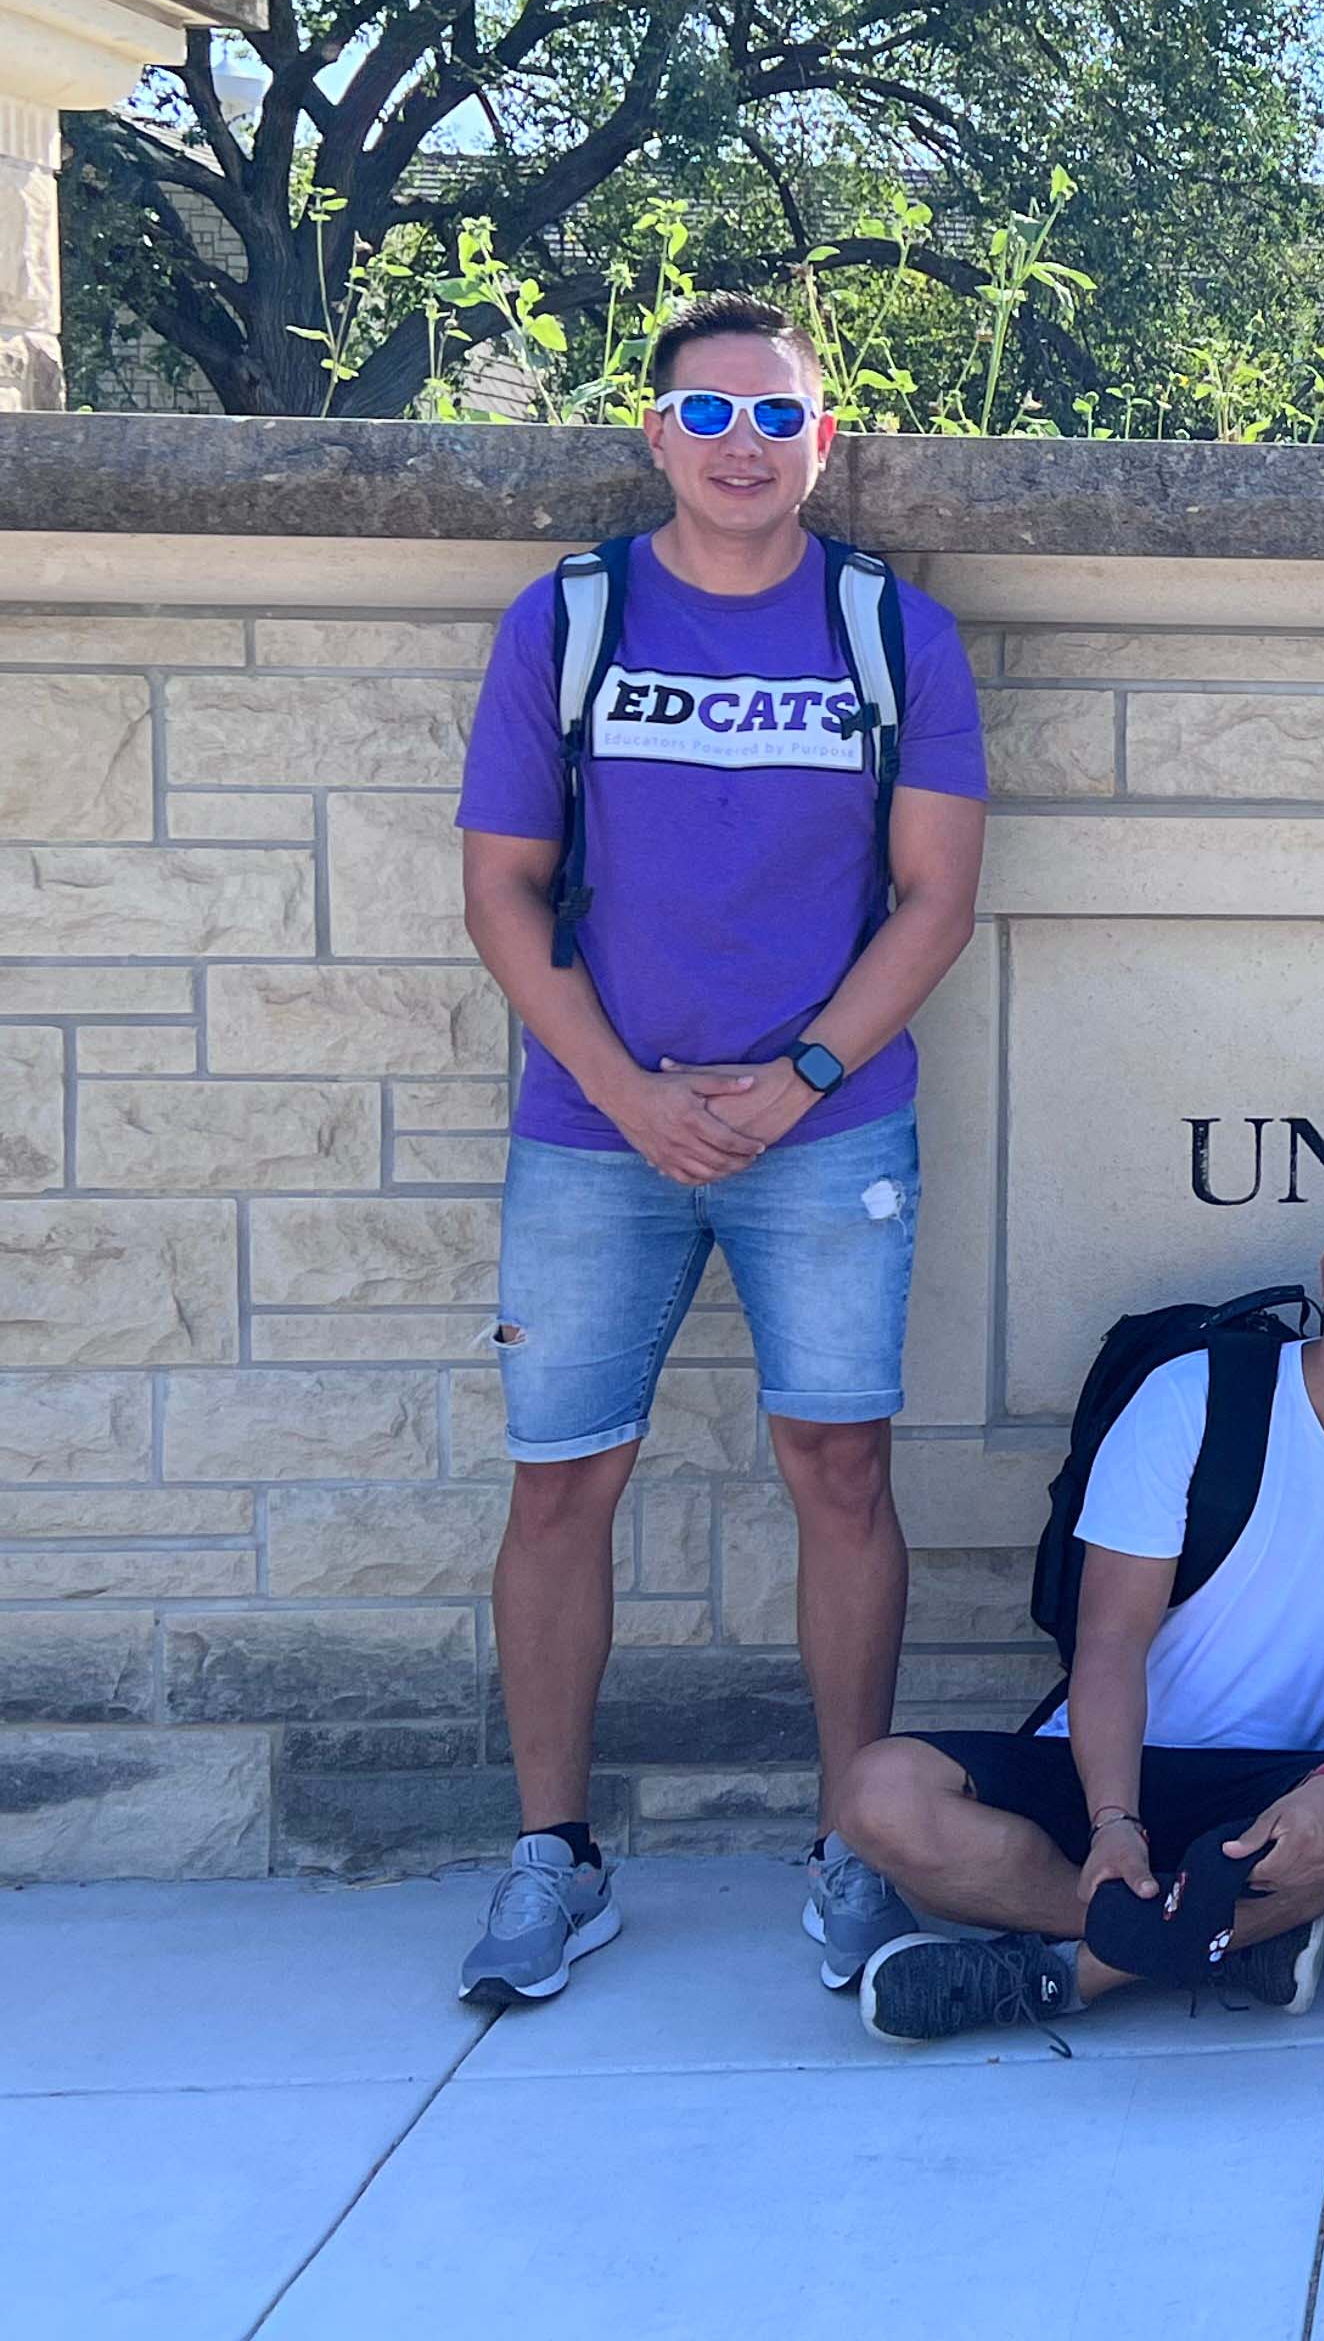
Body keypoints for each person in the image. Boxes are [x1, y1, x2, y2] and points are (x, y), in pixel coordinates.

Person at [450, 293, 985, 2005]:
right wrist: (624, 1086)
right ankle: (554, 1854)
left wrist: (802, 1069)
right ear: (656, 431)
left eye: (779, 418)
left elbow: (935, 896)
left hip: (828, 1128)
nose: (745, 446)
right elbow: (503, 889)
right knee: (562, 1479)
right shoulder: (572, 618)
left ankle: (857, 1836)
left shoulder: (891, 629)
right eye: (712, 414)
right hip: (594, 1123)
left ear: (824, 441)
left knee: (839, 1471)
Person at [829, 1166, 1324, 2044]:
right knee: (881, 1793)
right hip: (1113, 1763)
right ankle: (1224, 1941)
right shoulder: (1193, 1397)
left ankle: (1066, 1974)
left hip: (1272, 1797)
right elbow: (1111, 1637)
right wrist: (1113, 1821)